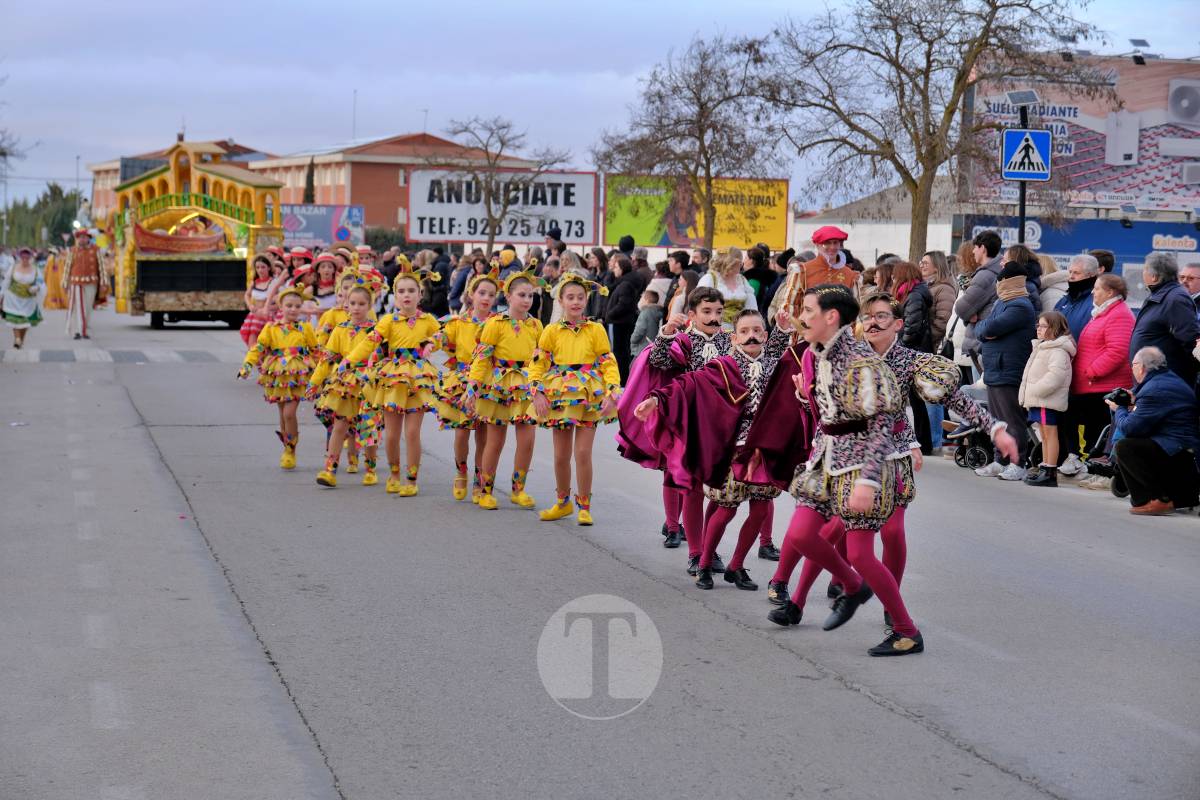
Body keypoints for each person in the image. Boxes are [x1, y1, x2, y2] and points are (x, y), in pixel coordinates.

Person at [775, 292, 1015, 628]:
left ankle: (892, 608)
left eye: (882, 317)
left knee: (888, 533)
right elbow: (825, 411)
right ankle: (804, 598)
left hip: (887, 455)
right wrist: (805, 394)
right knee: (821, 533)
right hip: (831, 453)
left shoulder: (904, 362)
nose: (872, 322)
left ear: (898, 325)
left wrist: (994, 428)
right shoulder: (827, 353)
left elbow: (950, 398)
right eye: (868, 316)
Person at [766, 285, 924, 657]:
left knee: (864, 548)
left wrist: (868, 479)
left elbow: (884, 424)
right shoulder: (820, 353)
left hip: (866, 463)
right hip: (828, 457)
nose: (802, 317)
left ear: (831, 316)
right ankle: (852, 588)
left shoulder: (861, 361)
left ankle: (904, 628)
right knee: (804, 534)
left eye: (807, 310)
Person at [528, 273, 621, 525]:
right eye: (570, 297)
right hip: (559, 396)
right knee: (560, 455)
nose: (576, 302)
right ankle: (562, 502)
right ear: (561, 300)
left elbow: (607, 362)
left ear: (587, 299)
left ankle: (584, 506)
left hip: (588, 397)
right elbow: (538, 364)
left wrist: (613, 391)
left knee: (582, 453)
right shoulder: (551, 331)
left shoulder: (596, 329)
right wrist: (536, 391)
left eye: (580, 297)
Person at [648, 286, 732, 562]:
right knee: (688, 483)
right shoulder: (684, 340)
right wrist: (666, 334)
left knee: (719, 490)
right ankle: (693, 548)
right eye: (706, 312)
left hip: (722, 422)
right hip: (688, 419)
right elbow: (658, 360)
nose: (713, 318)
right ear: (692, 315)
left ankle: (707, 548)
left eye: (718, 312)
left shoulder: (729, 342)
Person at [344, 264, 442, 495]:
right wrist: (349, 360)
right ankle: (394, 473)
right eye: (401, 291)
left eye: (411, 290)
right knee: (392, 434)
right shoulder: (388, 321)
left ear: (420, 295)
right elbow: (370, 342)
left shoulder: (428, 320)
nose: (406, 295)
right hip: (392, 378)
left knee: (412, 433)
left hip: (418, 378)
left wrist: (432, 342)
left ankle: (412, 479)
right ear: (395, 295)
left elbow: (443, 335)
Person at [463, 270, 544, 510]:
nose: (527, 300)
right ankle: (485, 489)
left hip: (526, 384)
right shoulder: (495, 323)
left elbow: (543, 358)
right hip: (498, 385)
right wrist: (472, 388)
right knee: (495, 441)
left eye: (530, 296)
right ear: (508, 296)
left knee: (527, 439)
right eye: (521, 295)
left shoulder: (536, 325)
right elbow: (481, 359)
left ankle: (518, 489)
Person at [307, 282, 382, 488]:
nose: (356, 308)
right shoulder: (340, 330)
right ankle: (329, 469)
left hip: (368, 383)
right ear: (346, 305)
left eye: (361, 304)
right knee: (340, 426)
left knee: (368, 427)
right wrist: (314, 381)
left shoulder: (376, 331)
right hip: (344, 383)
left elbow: (382, 358)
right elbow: (327, 359)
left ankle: (370, 469)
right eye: (353, 303)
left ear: (369, 306)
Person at [1109, 346, 1200, 515]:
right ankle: (1173, 497)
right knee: (1138, 445)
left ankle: (1156, 499)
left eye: (1133, 364)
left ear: (1142, 367)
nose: (1132, 368)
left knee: (1126, 446)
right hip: (1179, 445)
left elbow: (1131, 428)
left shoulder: (1155, 388)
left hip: (1177, 448)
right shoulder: (1165, 380)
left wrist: (1120, 408)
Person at [237, 286, 319, 470]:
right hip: (277, 376)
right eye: (288, 305)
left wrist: (322, 374)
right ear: (280, 306)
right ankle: (287, 449)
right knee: (282, 415)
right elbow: (258, 348)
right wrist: (247, 365)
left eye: (297, 306)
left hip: (298, 376)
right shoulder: (271, 328)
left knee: (290, 413)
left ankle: (291, 449)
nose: (292, 309)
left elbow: (316, 351)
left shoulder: (305, 328)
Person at [973, 261, 1038, 480]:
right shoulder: (1003, 303)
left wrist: (985, 329)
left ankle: (1017, 462)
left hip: (1009, 369)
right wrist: (985, 329)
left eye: (1000, 280)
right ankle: (999, 460)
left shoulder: (1020, 305)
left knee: (1012, 419)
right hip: (995, 368)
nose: (998, 284)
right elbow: (981, 328)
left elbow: (988, 327)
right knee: (997, 421)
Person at [437, 269, 498, 502]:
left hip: (488, 382)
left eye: (491, 294)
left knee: (483, 436)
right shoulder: (458, 322)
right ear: (471, 294)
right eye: (481, 292)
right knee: (462, 433)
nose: (485, 298)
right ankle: (460, 472)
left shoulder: (498, 323)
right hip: (462, 381)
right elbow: (441, 341)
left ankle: (478, 479)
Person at [1070, 274, 1135, 486]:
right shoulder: (1102, 313)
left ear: (1110, 292)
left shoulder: (1119, 314)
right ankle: (1091, 467)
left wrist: (1092, 371)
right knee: (1091, 431)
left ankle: (1103, 473)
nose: (1092, 292)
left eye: (1097, 289)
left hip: (1103, 386)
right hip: (1091, 386)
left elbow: (1118, 350)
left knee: (1100, 431)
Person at [1018, 311, 1076, 487]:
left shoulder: (1058, 350)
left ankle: (1050, 470)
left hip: (1046, 400)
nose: (1039, 329)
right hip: (1039, 399)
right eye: (1038, 325)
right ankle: (1044, 466)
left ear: (1054, 328)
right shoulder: (1043, 347)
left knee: (1050, 434)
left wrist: (1035, 390)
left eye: (1043, 326)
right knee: (1043, 434)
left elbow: (1056, 376)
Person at [1130, 252, 1200, 385]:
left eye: (1144, 270)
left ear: (1154, 277)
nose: (1142, 274)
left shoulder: (1176, 299)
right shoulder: (1160, 295)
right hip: (1152, 381)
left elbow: (1191, 341)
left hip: (1165, 384)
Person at [769, 226, 858, 322]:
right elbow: (791, 306)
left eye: (835, 243)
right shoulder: (802, 271)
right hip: (808, 331)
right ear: (817, 244)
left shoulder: (850, 275)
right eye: (827, 243)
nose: (832, 247)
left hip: (839, 333)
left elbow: (854, 311)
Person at [954, 229, 1004, 364]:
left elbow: (961, 307)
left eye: (975, 247)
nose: (973, 251)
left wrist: (969, 314)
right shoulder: (995, 271)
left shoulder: (985, 275)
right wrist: (970, 315)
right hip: (984, 341)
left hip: (979, 344)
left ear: (983, 248)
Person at [604, 254, 645, 383]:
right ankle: (621, 377)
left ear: (622, 269)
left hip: (619, 323)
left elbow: (623, 304)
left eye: (616, 267)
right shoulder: (623, 282)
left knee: (619, 353)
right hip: (619, 322)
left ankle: (621, 378)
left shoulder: (625, 284)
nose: (613, 270)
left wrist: (609, 314)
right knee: (620, 351)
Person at [698, 247, 757, 325]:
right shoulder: (710, 278)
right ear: (732, 262)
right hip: (714, 327)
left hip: (739, 329)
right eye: (740, 261)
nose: (741, 264)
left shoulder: (742, 280)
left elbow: (751, 308)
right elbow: (699, 305)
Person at [65, 229, 104, 340]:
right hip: (76, 282)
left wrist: (104, 282)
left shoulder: (96, 250)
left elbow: (101, 267)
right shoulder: (72, 250)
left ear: (88, 238)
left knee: (87, 307)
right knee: (77, 307)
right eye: (80, 237)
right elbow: (67, 268)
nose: (82, 239)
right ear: (77, 239)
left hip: (92, 282)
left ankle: (83, 328)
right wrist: (64, 283)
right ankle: (78, 331)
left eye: (84, 237)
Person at [2, 246, 44, 349]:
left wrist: (36, 287)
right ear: (20, 256)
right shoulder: (13, 267)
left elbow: (41, 282)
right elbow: (6, 281)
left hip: (28, 301)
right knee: (15, 320)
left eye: (27, 255)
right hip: (13, 298)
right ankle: (17, 339)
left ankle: (21, 340)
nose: (25, 257)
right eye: (23, 255)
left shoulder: (35, 269)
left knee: (25, 322)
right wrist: (1, 294)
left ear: (30, 256)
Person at [1055, 254, 1099, 340]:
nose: (1071, 276)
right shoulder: (1064, 300)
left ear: (1090, 275)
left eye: (1076, 273)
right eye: (1070, 272)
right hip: (1059, 351)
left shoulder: (1097, 301)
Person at [630, 289, 663, 357]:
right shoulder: (658, 312)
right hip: (653, 346)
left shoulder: (645, 313)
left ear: (647, 301)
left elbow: (639, 330)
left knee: (634, 366)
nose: (640, 301)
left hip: (642, 348)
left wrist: (632, 340)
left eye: (642, 298)